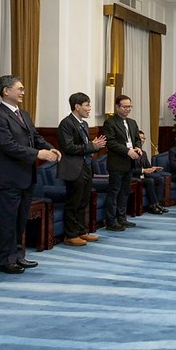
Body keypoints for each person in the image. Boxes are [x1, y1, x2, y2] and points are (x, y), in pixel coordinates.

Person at [0, 75, 61, 274]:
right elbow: (7, 145)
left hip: (26, 176)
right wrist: (38, 154)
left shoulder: (24, 114)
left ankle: (18, 256)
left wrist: (50, 148)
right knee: (8, 221)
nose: (23, 92)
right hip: (8, 177)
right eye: (19, 88)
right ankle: (5, 260)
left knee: (21, 220)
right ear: (6, 91)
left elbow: (35, 137)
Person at [56, 92, 105, 247]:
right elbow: (68, 147)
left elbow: (85, 146)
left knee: (84, 200)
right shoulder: (66, 123)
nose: (89, 108)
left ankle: (81, 231)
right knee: (74, 201)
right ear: (77, 106)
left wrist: (93, 146)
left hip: (86, 166)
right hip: (73, 168)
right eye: (87, 105)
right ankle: (70, 235)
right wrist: (92, 146)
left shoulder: (84, 124)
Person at [102, 95, 141, 231]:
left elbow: (137, 139)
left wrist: (138, 148)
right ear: (117, 107)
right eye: (125, 107)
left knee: (125, 192)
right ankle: (111, 221)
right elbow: (111, 142)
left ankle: (121, 218)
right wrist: (127, 151)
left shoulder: (132, 122)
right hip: (116, 163)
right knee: (114, 192)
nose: (127, 109)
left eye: (129, 107)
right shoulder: (110, 123)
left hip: (129, 163)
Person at [134, 131, 169, 215]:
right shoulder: (130, 152)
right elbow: (129, 170)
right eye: (140, 138)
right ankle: (153, 205)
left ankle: (159, 204)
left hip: (143, 176)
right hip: (134, 177)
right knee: (150, 181)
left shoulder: (143, 153)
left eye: (144, 138)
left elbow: (148, 167)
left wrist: (154, 168)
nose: (142, 140)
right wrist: (143, 170)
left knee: (160, 179)